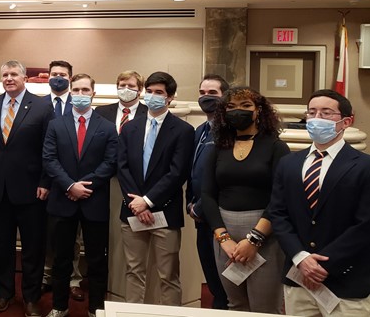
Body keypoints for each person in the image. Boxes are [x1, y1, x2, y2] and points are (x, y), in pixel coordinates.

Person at [271, 90, 370, 316]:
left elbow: (365, 224)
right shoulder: (288, 164)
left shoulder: (364, 166)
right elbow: (278, 214)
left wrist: (325, 264)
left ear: (347, 121)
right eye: (312, 112)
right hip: (299, 277)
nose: (317, 118)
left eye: (326, 113)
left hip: (346, 279)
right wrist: (301, 257)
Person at [0, 60, 54, 317]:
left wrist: (45, 181)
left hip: (32, 190)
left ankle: (31, 298)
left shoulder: (42, 106)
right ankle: (3, 293)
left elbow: (49, 147)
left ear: (24, 77)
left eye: (14, 74)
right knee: (2, 246)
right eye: (5, 74)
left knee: (33, 247)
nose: (9, 78)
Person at [201, 86, 289, 313]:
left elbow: (280, 198)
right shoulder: (218, 148)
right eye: (231, 107)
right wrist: (223, 238)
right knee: (236, 304)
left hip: (265, 236)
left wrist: (254, 240)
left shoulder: (276, 147)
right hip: (225, 237)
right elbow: (208, 195)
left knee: (264, 307)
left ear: (258, 110)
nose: (237, 111)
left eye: (245, 106)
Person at [43, 74, 118, 317]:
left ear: (93, 93)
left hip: (93, 200)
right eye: (76, 89)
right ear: (70, 92)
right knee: (61, 259)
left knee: (96, 260)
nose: (80, 94)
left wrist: (85, 186)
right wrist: (69, 186)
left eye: (86, 89)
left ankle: (96, 309)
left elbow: (111, 162)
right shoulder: (55, 124)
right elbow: (49, 159)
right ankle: (59, 306)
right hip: (62, 200)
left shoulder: (106, 126)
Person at [116, 71, 193, 306]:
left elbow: (177, 173)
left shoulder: (182, 130)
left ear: (169, 97)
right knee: (133, 271)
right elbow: (122, 166)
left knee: (168, 275)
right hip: (132, 211)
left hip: (165, 213)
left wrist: (147, 201)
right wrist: (137, 204)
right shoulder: (130, 127)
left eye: (158, 92)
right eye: (148, 91)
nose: (152, 96)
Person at [185, 74, 229, 310]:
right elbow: (192, 172)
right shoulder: (200, 130)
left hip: (221, 217)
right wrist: (190, 204)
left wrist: (201, 206)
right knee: (211, 276)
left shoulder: (230, 131)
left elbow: (225, 177)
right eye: (202, 93)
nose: (205, 98)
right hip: (200, 217)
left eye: (212, 94)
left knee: (226, 281)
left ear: (225, 97)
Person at [41, 60, 84, 302]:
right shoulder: (37, 105)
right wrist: (45, 181)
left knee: (73, 237)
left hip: (74, 184)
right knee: (48, 235)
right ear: (47, 76)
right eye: (54, 74)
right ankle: (48, 277)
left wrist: (72, 184)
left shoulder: (81, 105)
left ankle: (73, 279)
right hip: (46, 182)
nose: (58, 77)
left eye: (63, 74)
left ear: (70, 77)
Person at [95, 70, 148, 134]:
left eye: (131, 86)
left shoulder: (148, 112)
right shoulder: (101, 112)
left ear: (140, 89)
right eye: (122, 85)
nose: (126, 89)